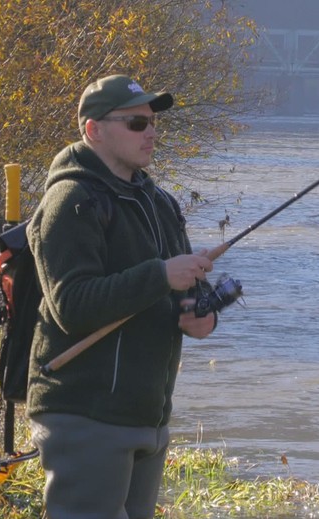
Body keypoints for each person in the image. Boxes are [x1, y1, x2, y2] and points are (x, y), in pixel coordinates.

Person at [25, 74, 218, 518]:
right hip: (86, 414)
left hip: (146, 417)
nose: (150, 131)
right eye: (135, 123)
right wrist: (159, 276)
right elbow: (71, 305)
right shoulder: (70, 201)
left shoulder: (159, 202)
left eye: (152, 122)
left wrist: (199, 314)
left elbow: (182, 283)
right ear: (94, 130)